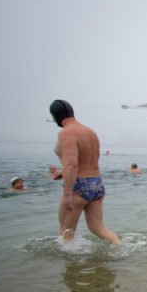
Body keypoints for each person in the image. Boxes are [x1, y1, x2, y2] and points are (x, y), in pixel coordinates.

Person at [49, 99, 121, 244]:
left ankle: (72, 266)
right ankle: (121, 247)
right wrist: (65, 172)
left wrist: (67, 194)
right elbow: (89, 160)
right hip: (96, 183)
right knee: (98, 228)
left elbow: (72, 164)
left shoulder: (66, 133)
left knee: (66, 233)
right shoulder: (90, 132)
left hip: (78, 185)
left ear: (54, 116)